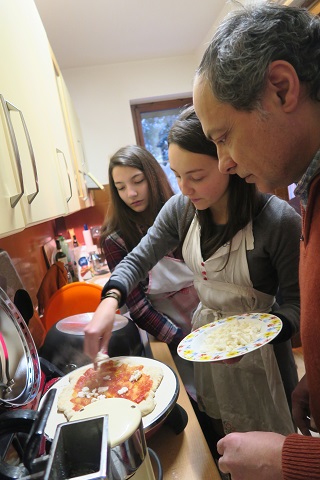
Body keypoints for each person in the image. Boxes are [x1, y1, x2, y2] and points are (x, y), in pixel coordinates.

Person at [84, 107, 301, 440]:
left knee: (271, 447)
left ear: (229, 163)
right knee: (221, 435)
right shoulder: (181, 211)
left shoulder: (278, 221)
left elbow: (298, 306)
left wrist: (257, 337)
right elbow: (138, 260)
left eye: (196, 176)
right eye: (177, 175)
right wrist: (109, 301)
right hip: (209, 348)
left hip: (267, 357)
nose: (184, 188)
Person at [192, 3, 320, 479]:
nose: (224, 162)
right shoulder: (307, 189)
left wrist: (288, 459)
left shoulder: (281, 213)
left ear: (281, 88)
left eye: (224, 137)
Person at [94, 145, 199, 395]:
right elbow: (139, 308)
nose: (131, 193)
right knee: (197, 406)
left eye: (137, 181)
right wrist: (184, 343)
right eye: (120, 188)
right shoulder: (116, 240)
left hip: (213, 321)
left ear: (152, 177)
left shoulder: (185, 212)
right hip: (170, 336)